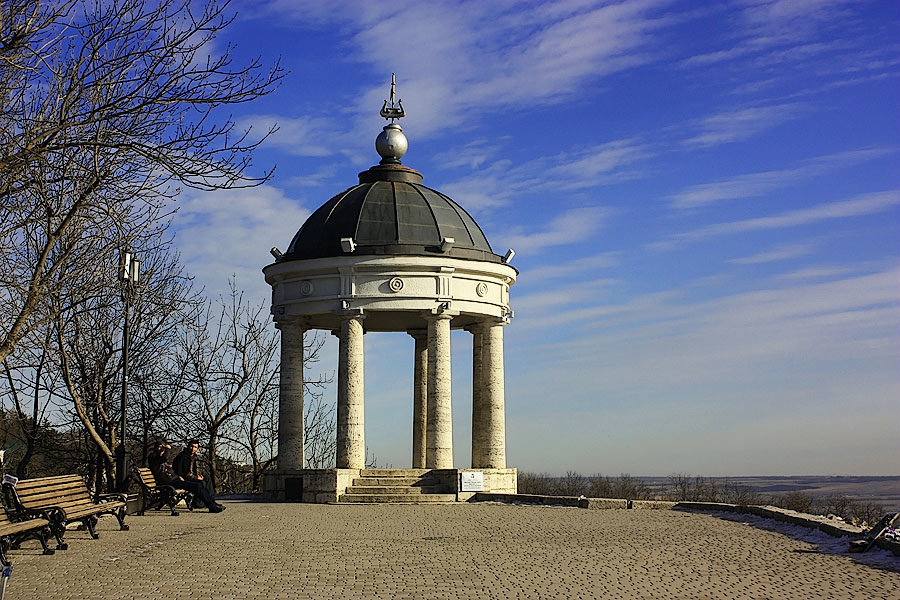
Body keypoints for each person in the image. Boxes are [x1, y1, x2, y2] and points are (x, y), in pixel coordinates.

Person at [148, 439, 225, 513]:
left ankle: (212, 503)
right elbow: (165, 459)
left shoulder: (159, 458)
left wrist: (178, 476)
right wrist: (167, 449)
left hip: (175, 480)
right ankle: (211, 506)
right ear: (155, 448)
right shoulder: (153, 457)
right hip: (169, 482)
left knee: (201, 482)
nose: (162, 448)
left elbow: (170, 469)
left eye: (163, 446)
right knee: (198, 485)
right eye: (160, 446)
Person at [173, 439, 216, 509]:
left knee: (207, 479)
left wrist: (197, 475)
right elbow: (182, 472)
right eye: (191, 446)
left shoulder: (193, 456)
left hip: (191, 476)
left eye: (195, 447)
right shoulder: (182, 456)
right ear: (188, 446)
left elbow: (194, 469)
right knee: (201, 483)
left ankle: (212, 501)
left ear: (197, 449)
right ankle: (197, 502)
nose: (193, 448)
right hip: (184, 478)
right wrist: (196, 478)